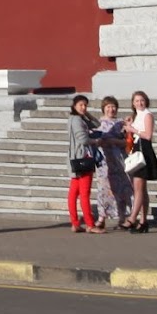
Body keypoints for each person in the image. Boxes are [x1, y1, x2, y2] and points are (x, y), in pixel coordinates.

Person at [92, 96, 133, 231]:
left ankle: (123, 217)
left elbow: (127, 142)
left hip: (119, 160)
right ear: (104, 108)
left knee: (122, 187)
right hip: (103, 161)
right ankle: (101, 217)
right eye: (108, 106)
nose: (111, 109)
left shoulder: (121, 124)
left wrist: (113, 142)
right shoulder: (97, 123)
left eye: (113, 106)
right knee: (104, 188)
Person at [125, 91, 157, 231]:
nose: (140, 103)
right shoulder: (137, 116)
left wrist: (133, 129)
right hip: (136, 150)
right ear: (133, 103)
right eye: (137, 101)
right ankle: (143, 221)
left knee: (138, 187)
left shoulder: (147, 115)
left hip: (144, 150)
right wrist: (129, 126)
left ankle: (132, 218)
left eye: (142, 100)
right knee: (142, 189)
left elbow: (148, 135)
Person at [66, 95, 100, 232]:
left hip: (75, 158)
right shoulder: (77, 120)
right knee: (84, 193)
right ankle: (90, 224)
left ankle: (75, 223)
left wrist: (87, 114)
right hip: (82, 158)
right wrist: (95, 142)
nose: (84, 107)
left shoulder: (76, 119)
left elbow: (97, 124)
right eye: (81, 105)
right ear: (74, 106)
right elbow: (83, 139)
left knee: (74, 192)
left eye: (85, 105)